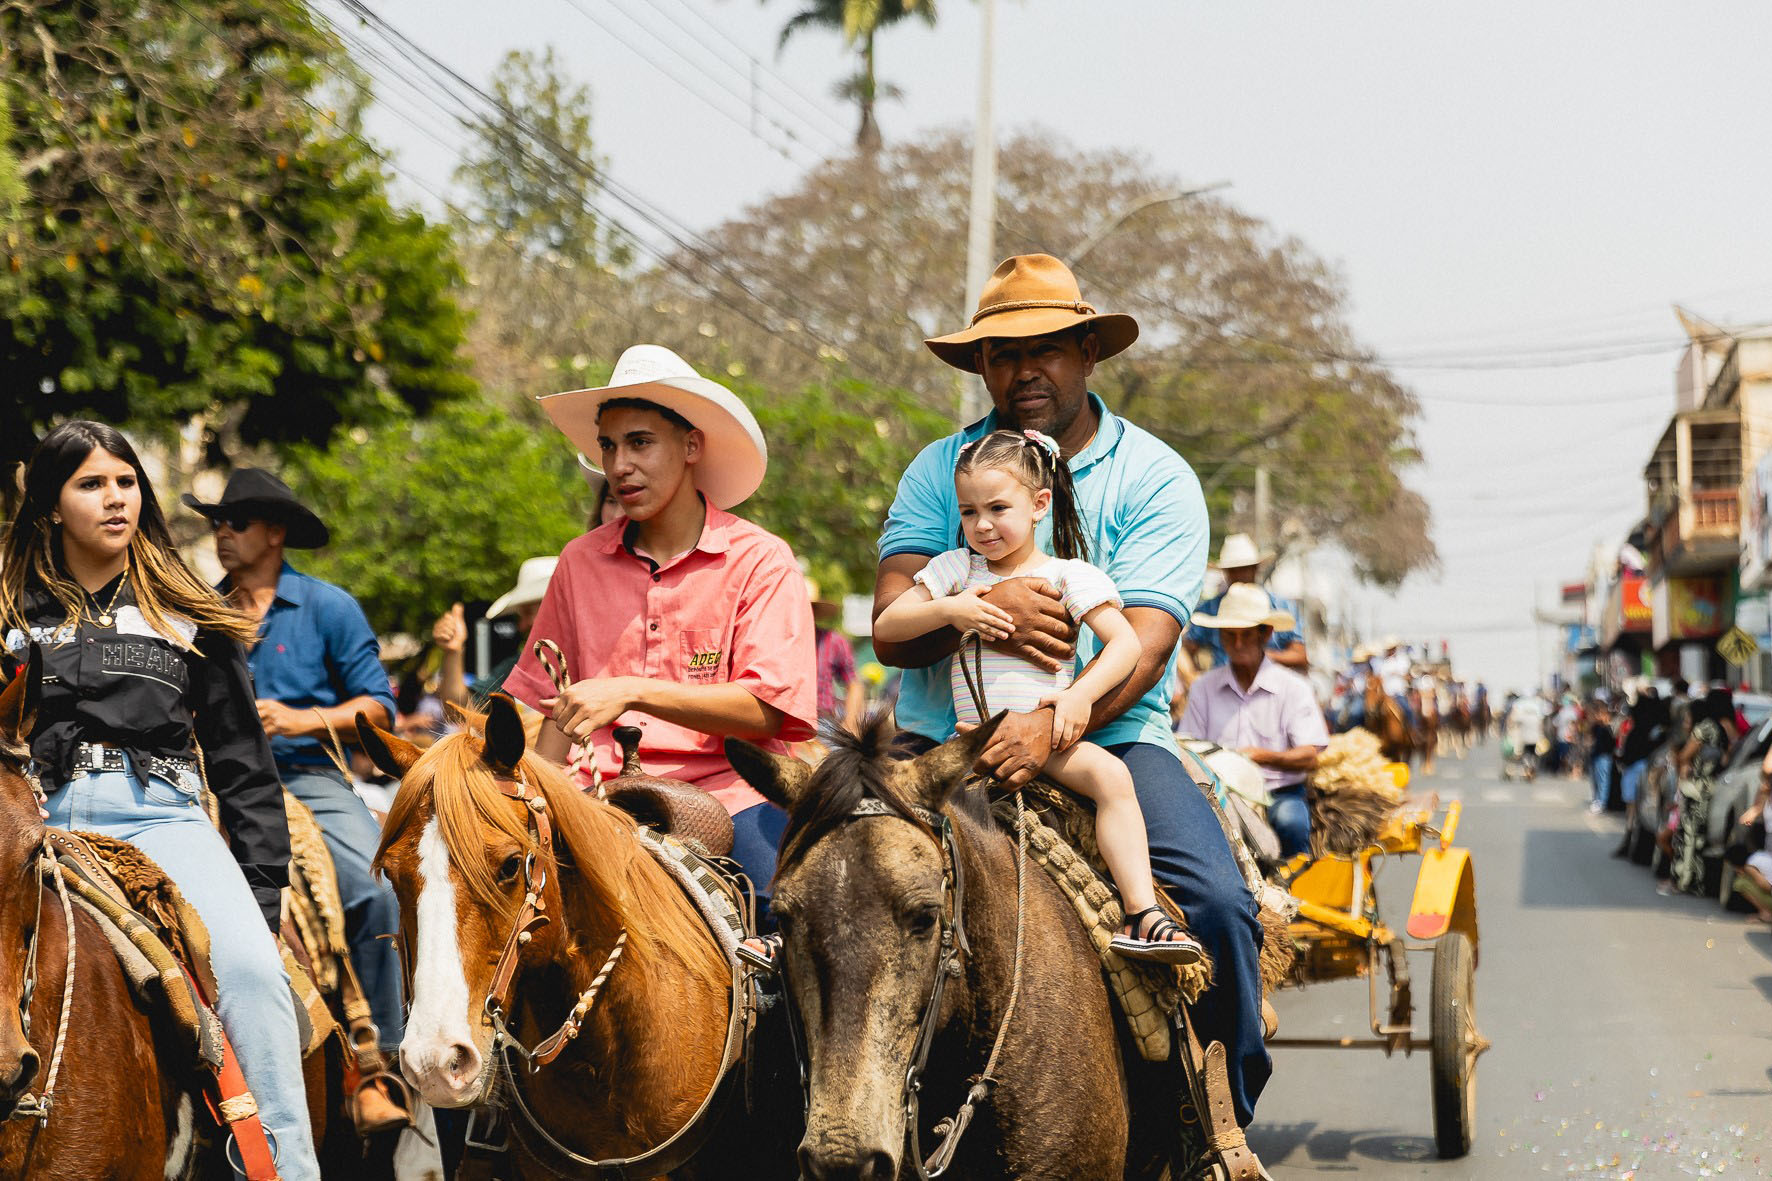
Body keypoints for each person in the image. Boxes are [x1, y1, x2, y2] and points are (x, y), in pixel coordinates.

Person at [873, 253, 1270, 1127]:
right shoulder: (940, 471)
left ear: (1089, 351)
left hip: (1112, 735)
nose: (1025, 370)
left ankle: (1221, 1124)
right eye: (1004, 353)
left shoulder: (1157, 476)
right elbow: (889, 622)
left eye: (1047, 347)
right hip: (939, 739)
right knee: (822, 892)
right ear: (981, 365)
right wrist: (990, 605)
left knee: (1215, 905)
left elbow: (1148, 644)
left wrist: (1052, 723)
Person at [1, 422, 321, 1179]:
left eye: (125, 481)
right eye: (90, 483)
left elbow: (244, 767)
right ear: (50, 505)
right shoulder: (8, 615)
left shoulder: (189, 612)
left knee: (249, 974)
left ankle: (284, 1168)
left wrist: (263, 896)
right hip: (33, 825)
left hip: (161, 821)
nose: (115, 498)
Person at [503, 344, 817, 920]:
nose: (619, 465)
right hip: (592, 798)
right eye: (608, 445)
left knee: (780, 911)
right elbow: (554, 701)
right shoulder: (578, 561)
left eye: (640, 442)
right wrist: (533, 800)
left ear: (691, 445)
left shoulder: (762, 560)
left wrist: (628, 689)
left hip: (730, 794)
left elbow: (767, 709)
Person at [876, 428, 1204, 963]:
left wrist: (1076, 700)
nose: (981, 525)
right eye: (968, 512)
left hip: (1048, 736)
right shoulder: (955, 570)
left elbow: (1124, 644)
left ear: (1039, 505)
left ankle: (1143, 912)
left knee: (1113, 778)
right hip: (967, 744)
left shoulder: (1069, 575)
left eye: (998, 507)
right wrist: (950, 610)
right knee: (875, 809)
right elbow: (889, 625)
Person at [183, 467, 408, 1130]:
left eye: (238, 521)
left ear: (275, 533)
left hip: (308, 775)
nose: (223, 532)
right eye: (218, 521)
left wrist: (301, 719)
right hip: (211, 782)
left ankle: (379, 1064)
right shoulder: (197, 609)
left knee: (374, 891)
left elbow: (381, 708)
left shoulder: (328, 607)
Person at [1177, 584, 1331, 859]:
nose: (1237, 645)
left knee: (1290, 822)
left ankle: (1293, 886)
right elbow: (1189, 746)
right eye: (1230, 635)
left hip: (1278, 791)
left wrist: (1259, 757)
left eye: (1246, 635)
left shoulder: (1293, 688)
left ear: (1266, 634)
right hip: (1220, 793)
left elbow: (1309, 756)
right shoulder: (1203, 688)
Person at [433, 556, 558, 709]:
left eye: (527, 613)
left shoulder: (590, 662)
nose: (522, 626)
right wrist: (453, 651)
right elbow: (463, 710)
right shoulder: (518, 665)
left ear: (554, 608)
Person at [1179, 533, 1307, 681]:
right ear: (1225, 573)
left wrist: (1261, 658)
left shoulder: (1280, 605)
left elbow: (1300, 654)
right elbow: (1187, 647)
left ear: (1255, 569)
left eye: (1244, 568)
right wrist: (1194, 678)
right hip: (1222, 688)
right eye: (1233, 570)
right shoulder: (1210, 608)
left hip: (1270, 685)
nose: (1239, 574)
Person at [1587, 701, 1616, 815]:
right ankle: (1596, 799)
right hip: (1595, 756)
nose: (1596, 716)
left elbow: (1611, 744)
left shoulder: (1608, 728)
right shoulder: (1596, 727)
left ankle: (1601, 802)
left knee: (1603, 780)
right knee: (1595, 780)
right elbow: (1590, 738)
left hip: (1604, 757)